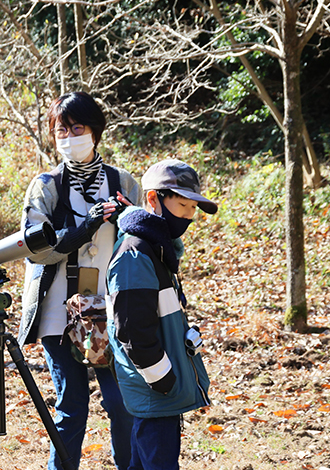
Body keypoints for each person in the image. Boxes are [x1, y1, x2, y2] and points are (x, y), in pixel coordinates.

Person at [18, 91, 140, 470]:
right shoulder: (47, 186)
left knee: (122, 405)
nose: (69, 136)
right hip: (58, 308)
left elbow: (143, 243)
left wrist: (127, 218)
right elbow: (35, 249)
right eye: (61, 130)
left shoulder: (123, 181)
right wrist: (83, 228)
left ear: (95, 131)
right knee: (71, 405)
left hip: (111, 307)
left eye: (77, 127)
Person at [105, 159, 218, 470]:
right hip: (155, 391)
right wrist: (165, 380)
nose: (188, 217)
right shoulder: (135, 254)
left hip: (158, 391)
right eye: (183, 206)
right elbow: (132, 332)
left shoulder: (157, 250)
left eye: (193, 209)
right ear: (154, 199)